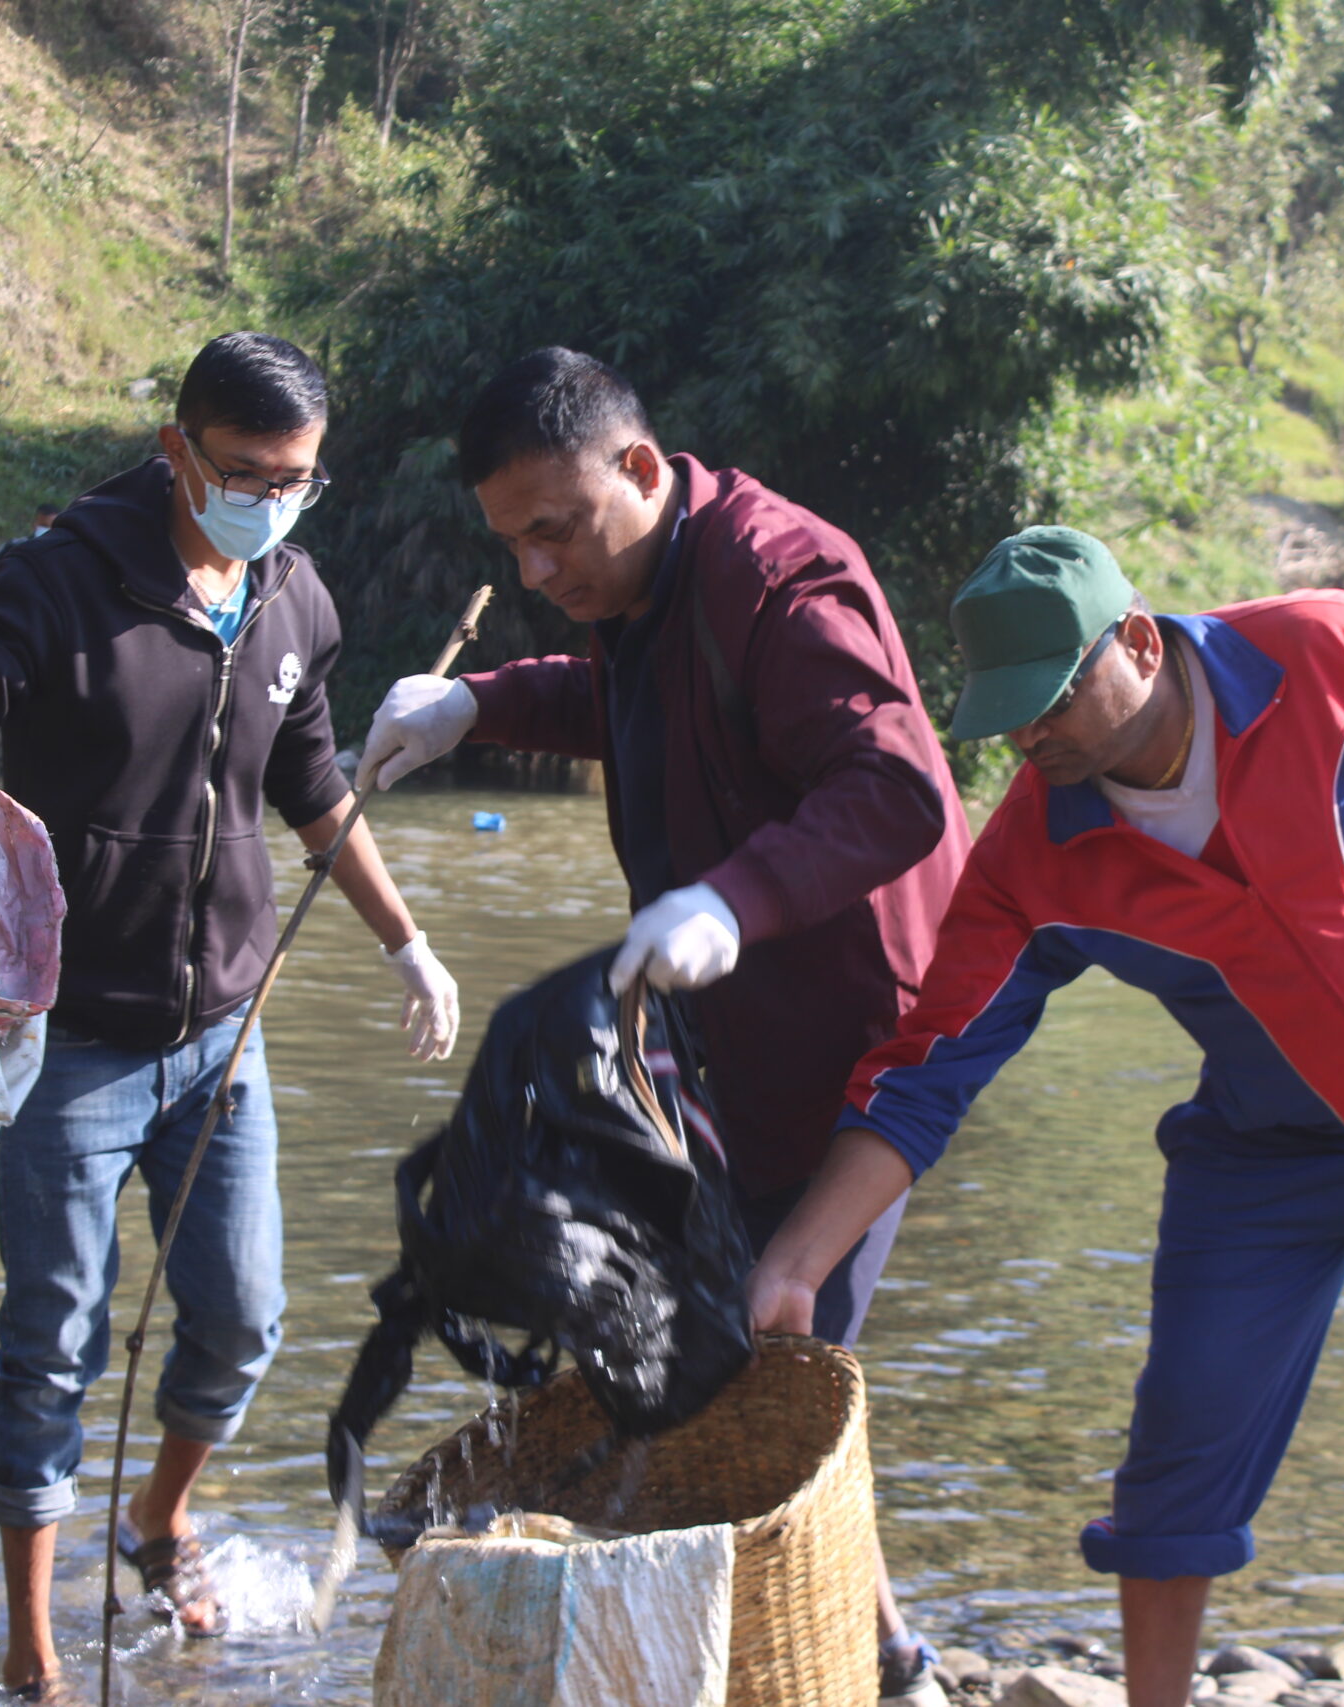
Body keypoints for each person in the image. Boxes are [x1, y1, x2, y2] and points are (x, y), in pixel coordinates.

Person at [745, 528, 1344, 1707]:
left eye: (1052, 701)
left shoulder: (1326, 652)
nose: (1031, 739)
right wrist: (797, 1260)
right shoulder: (1037, 853)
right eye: (1009, 717)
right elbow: (928, 1068)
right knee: (1178, 1456)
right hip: (1263, 1163)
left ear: (1136, 641)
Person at [357, 347, 971, 1707]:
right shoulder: (638, 585)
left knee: (768, 1366)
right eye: (512, 543)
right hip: (724, 1042)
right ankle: (881, 1658)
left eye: (553, 530)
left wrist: (735, 901)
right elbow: (612, 702)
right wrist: (476, 704)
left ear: (640, 468)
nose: (536, 569)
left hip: (858, 1048)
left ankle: (847, 1670)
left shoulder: (778, 575)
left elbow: (896, 790)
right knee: (706, 1354)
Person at [0, 332, 462, 1700]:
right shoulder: (59, 580)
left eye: (296, 479)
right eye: (246, 472)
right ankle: (35, 1652)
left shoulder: (292, 595)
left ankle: (159, 1518)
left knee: (242, 1314)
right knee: (53, 1343)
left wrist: (409, 942)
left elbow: (312, 784)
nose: (270, 501)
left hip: (224, 1031)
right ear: (179, 451)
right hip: (69, 1046)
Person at [0, 502, 63, 587]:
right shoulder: (13, 547)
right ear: (34, 524)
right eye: (44, 526)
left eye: (52, 527)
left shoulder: (61, 556)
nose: (48, 531)